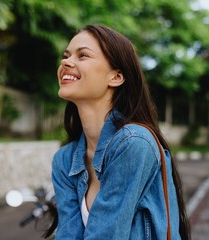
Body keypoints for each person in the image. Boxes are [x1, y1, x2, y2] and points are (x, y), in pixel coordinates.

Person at [47, 24, 190, 239]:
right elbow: (69, 234)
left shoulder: (133, 144)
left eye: (83, 55)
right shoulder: (65, 161)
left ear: (116, 77)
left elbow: (106, 234)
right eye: (66, 55)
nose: (66, 62)